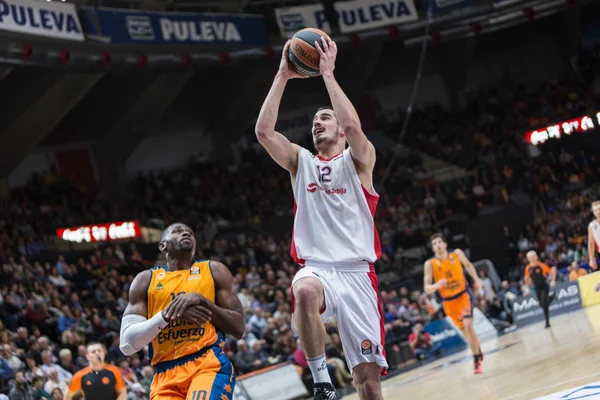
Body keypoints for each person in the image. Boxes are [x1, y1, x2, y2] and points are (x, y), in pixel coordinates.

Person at [255, 37, 387, 400]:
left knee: (369, 386)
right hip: (318, 267)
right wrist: (283, 74)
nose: (317, 123)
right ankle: (322, 383)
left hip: (358, 273)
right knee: (304, 289)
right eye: (313, 120)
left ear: (340, 130)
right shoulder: (301, 162)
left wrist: (327, 74)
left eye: (325, 117)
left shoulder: (359, 162)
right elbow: (263, 133)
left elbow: (356, 128)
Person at [119, 223, 244, 400]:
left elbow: (238, 328)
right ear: (163, 245)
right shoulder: (145, 280)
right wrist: (167, 316)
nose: (186, 232)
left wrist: (203, 301)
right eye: (177, 231)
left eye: (190, 232)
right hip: (164, 373)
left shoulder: (213, 270)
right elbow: (127, 345)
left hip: (207, 363)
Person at [423, 233, 484, 374]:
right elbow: (426, 288)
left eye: (439, 242)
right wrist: (437, 285)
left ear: (445, 244)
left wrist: (477, 280)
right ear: (433, 248)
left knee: (469, 325)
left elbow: (468, 265)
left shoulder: (456, 254)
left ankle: (476, 360)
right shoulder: (430, 264)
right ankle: (477, 347)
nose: (437, 245)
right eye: (434, 244)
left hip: (463, 296)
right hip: (448, 302)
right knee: (466, 333)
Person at [523, 250, 557, 329]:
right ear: (528, 259)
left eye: (533, 256)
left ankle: (547, 323)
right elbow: (526, 278)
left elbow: (552, 272)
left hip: (544, 286)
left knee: (545, 305)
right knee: (542, 304)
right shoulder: (528, 268)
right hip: (536, 288)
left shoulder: (542, 265)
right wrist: (528, 288)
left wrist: (553, 280)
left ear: (536, 257)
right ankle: (552, 297)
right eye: (530, 257)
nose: (532, 258)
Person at [587, 200, 600, 271]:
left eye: (599, 209)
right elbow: (591, 243)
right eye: (595, 210)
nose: (598, 212)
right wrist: (591, 259)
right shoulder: (592, 226)